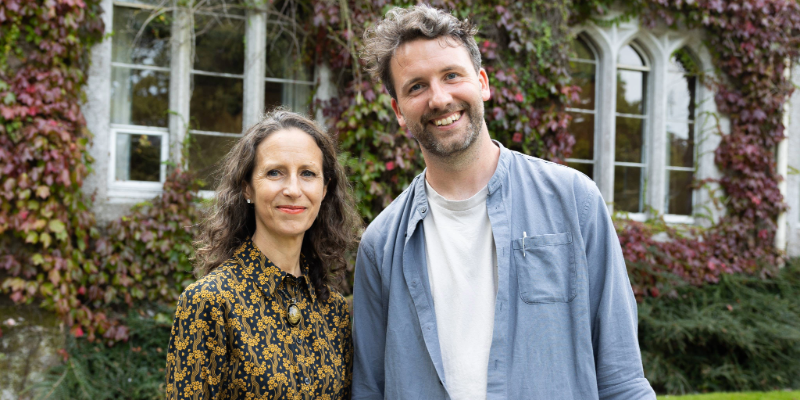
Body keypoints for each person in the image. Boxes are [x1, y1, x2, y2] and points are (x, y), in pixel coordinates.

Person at [352, 5, 656, 400]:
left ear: (482, 82)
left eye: (451, 75)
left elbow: (622, 379)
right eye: (416, 86)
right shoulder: (381, 246)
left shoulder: (574, 202)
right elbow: (370, 390)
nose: (439, 98)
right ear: (398, 111)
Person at [166, 110, 360, 400]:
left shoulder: (332, 310)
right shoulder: (210, 303)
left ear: (324, 189)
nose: (293, 189)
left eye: (307, 173)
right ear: (247, 188)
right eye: (274, 172)